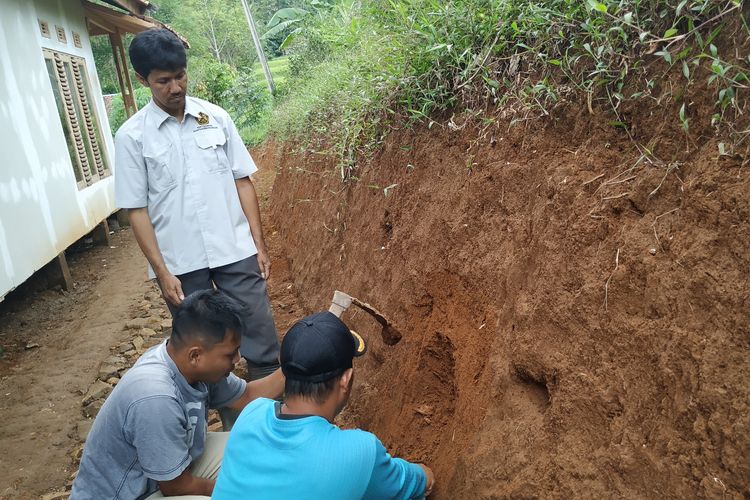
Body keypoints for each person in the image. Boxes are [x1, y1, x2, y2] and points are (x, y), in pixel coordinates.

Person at [114, 28, 279, 382]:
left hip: (234, 248)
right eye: (163, 81)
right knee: (202, 351)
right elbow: (137, 210)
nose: (175, 88)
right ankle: (230, 423)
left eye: (180, 76)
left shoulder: (216, 118)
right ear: (143, 79)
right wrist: (162, 271)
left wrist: (258, 244)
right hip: (180, 263)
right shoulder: (132, 137)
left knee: (260, 333)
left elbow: (242, 180)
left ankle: (269, 415)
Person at [70, 290, 284, 500]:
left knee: (255, 444)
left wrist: (294, 365)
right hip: (139, 492)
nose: (238, 359)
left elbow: (246, 396)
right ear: (195, 355)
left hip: (168, 473)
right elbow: (176, 487)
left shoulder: (192, 364)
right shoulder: (156, 397)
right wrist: (238, 490)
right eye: (230, 353)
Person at [212, 311, 436, 499]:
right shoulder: (359, 452)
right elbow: (423, 481)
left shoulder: (252, 413)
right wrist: (424, 473)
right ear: (346, 380)